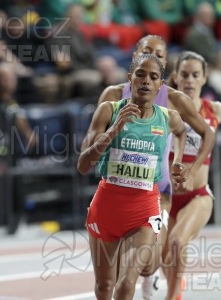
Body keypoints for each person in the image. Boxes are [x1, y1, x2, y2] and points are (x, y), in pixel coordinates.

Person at [97, 35, 215, 299]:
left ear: (164, 67)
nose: (153, 57)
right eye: (147, 52)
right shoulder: (113, 96)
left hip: (158, 193)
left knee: (149, 260)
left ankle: (150, 282)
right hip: (116, 190)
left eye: (159, 55)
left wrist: (189, 168)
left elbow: (206, 134)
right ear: (135, 57)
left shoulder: (174, 100)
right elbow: (95, 142)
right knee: (112, 278)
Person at [77, 53, 188, 299]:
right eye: (140, 74)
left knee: (127, 282)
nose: (146, 81)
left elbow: (182, 133)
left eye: (153, 77)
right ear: (130, 79)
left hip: (145, 209)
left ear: (161, 85)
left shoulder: (168, 118)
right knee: (105, 287)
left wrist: (178, 160)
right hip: (107, 207)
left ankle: (153, 265)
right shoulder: (109, 110)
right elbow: (83, 165)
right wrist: (113, 131)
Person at [165, 51, 221, 299]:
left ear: (205, 78)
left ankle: (172, 297)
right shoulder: (165, 108)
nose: (190, 80)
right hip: (165, 196)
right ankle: (175, 286)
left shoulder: (213, 109)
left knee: (177, 242)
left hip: (197, 196)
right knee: (159, 257)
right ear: (175, 77)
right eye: (184, 75)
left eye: (195, 75)